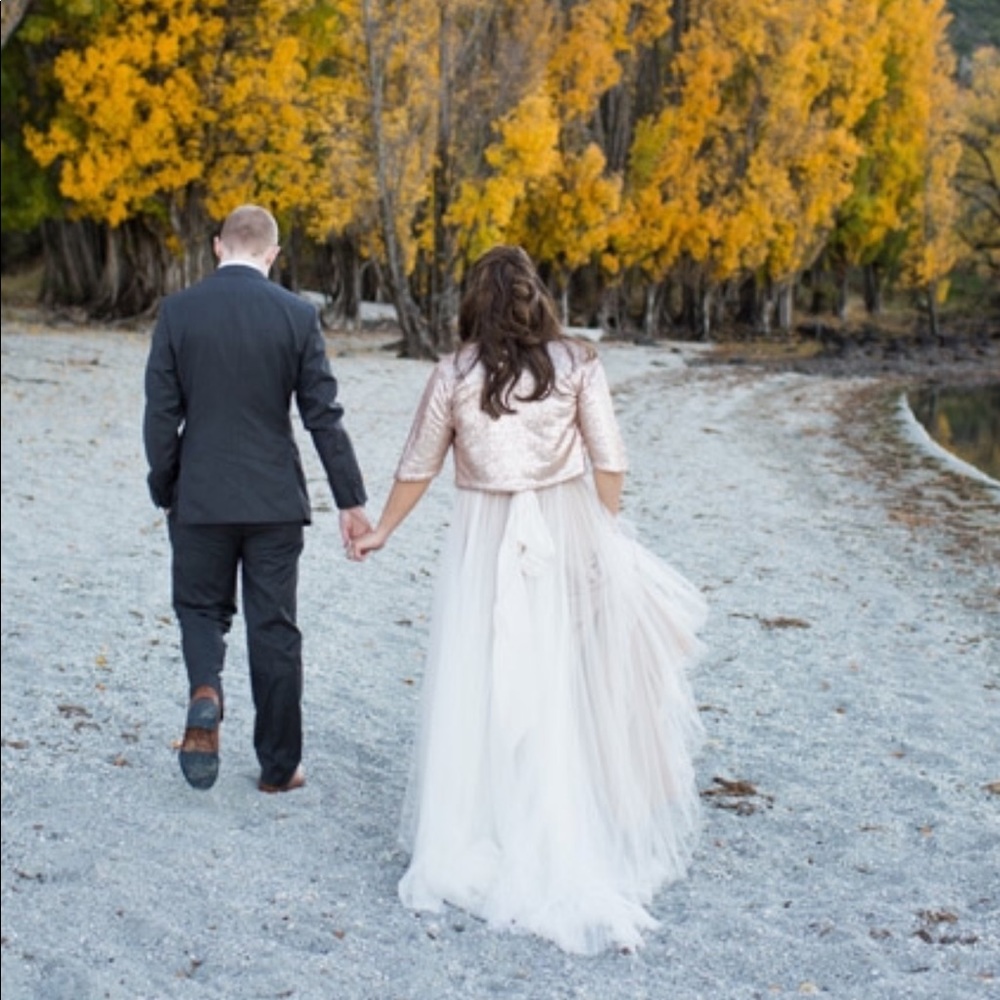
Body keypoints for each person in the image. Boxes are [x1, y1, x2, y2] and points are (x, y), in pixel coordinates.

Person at [349, 245, 707, 954]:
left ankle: (484, 825)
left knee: (484, 674)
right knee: (560, 679)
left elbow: (418, 463)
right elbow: (611, 461)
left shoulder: (453, 373)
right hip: (563, 529)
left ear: (474, 302)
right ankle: (562, 821)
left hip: (483, 540)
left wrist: (383, 529)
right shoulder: (577, 364)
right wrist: (603, 539)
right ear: (536, 297)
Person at [143, 204, 369, 794]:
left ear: (218, 246)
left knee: (200, 608)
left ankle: (206, 693)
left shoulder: (179, 312)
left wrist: (166, 483)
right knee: (274, 627)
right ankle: (278, 768)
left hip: (201, 492)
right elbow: (323, 415)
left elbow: (161, 414)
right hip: (273, 501)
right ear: (272, 254)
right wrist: (350, 500)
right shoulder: (297, 315)